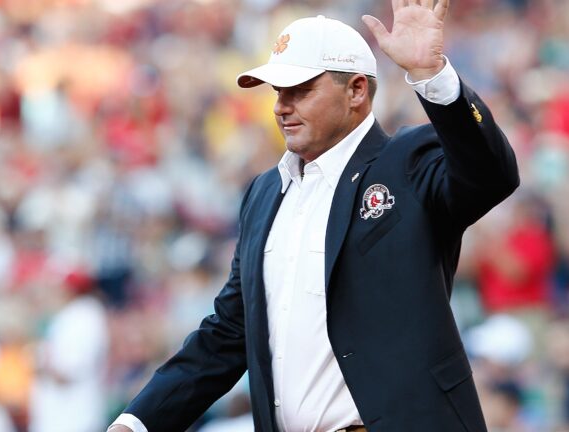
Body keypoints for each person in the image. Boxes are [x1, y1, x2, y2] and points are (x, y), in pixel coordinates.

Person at [110, 0, 519, 430]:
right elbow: (230, 332)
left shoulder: (405, 161)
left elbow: (490, 175)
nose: (281, 107)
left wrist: (431, 75)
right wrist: (137, 421)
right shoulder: (265, 192)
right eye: (277, 92)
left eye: (300, 89)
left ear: (356, 90)